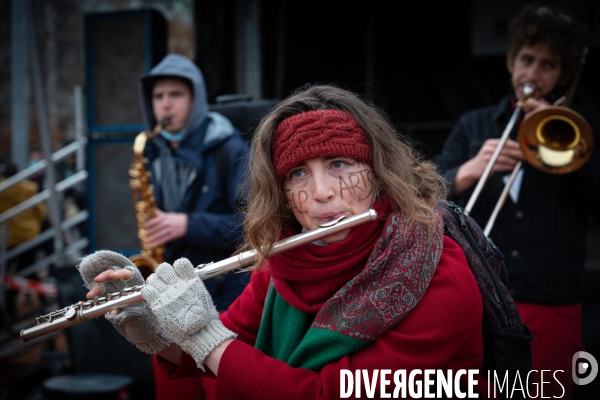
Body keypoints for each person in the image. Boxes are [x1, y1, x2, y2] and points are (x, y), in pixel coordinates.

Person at [79, 84, 487, 399]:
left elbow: (325, 393)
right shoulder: (286, 265)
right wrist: (154, 330)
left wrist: (207, 338)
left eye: (339, 164)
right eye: (298, 174)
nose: (322, 191)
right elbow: (223, 352)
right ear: (282, 194)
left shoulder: (439, 280)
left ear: (379, 172)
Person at [436, 4, 600, 399]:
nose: (534, 75)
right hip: (481, 296)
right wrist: (470, 169)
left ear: (563, 75)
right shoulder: (474, 124)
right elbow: (429, 193)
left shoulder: (580, 128)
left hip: (551, 300)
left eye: (548, 65)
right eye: (527, 60)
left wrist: (564, 152)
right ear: (510, 61)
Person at [136, 53, 250, 399]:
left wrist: (186, 224)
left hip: (228, 296)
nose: (165, 104)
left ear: (196, 98)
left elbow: (250, 227)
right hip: (172, 293)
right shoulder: (152, 153)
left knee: (223, 388)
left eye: (176, 95)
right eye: (158, 96)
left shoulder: (231, 148)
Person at [0, 161, 47, 319]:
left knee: (6, 274)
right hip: (28, 236)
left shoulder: (2, 190)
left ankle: (8, 310)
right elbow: (41, 211)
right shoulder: (29, 188)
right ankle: (45, 303)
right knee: (29, 271)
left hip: (5, 238)